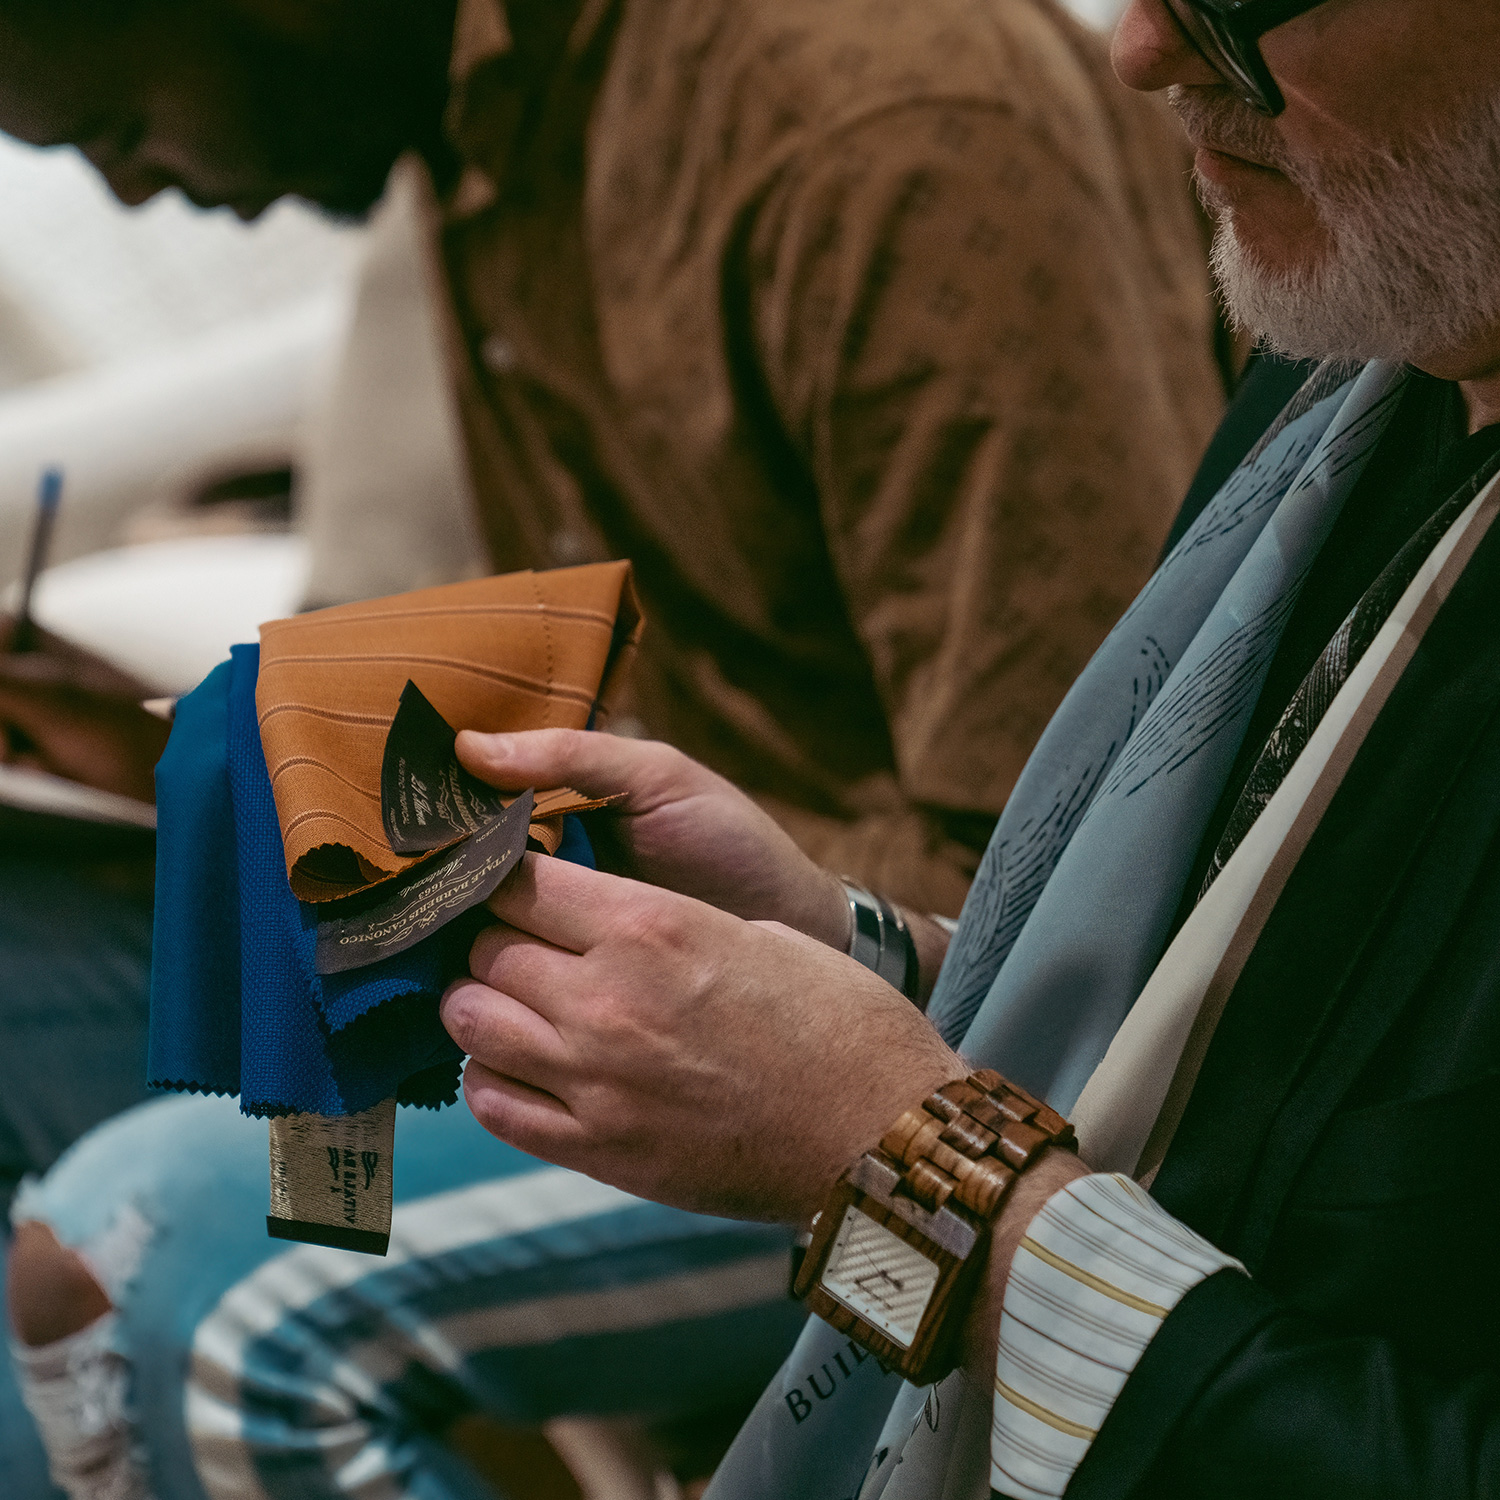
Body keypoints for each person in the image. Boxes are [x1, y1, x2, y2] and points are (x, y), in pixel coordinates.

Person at [17, 0, 1500, 1497]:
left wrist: (890, 1145)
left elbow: (1076, 920)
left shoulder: (891, 126)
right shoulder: (1374, 398)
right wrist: (834, 935)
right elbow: (1143, 935)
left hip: (929, 1130)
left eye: (119, 132)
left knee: (158, 1276)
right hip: (884, 1058)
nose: (1140, 48)